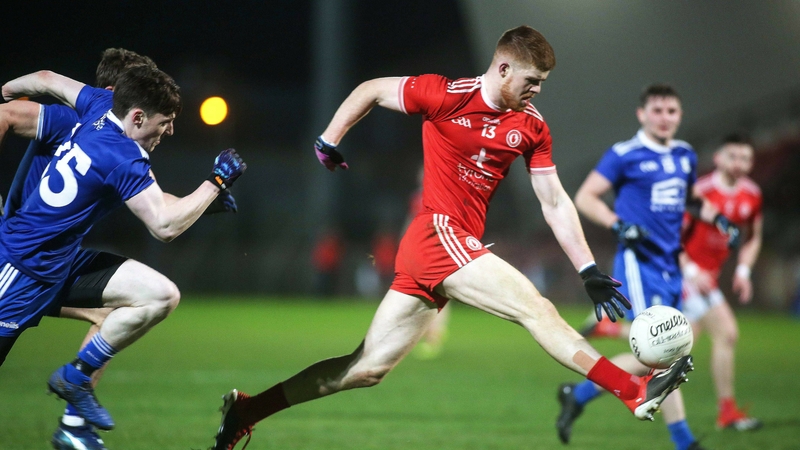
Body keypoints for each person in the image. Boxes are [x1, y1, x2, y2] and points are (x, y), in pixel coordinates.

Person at [209, 26, 694, 450]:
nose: (536, 92)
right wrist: (328, 139)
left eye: (541, 85)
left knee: (365, 369)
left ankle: (247, 412)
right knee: (536, 308)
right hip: (435, 233)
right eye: (532, 82)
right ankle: (633, 390)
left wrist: (588, 269)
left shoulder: (531, 126)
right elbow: (372, 88)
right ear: (503, 69)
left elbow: (553, 200)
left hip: (450, 248)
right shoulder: (446, 94)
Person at [0, 49, 237, 450]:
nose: (170, 132)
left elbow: (44, 76)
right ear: (137, 115)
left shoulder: (96, 106)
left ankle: (75, 396)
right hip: (20, 269)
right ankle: (74, 419)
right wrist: (215, 181)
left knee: (156, 296)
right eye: (166, 123)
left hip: (58, 263)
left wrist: (5, 89)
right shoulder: (123, 154)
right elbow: (163, 225)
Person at [557, 84, 738, 450]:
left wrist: (720, 220)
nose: (664, 117)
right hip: (639, 265)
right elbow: (586, 196)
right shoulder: (624, 154)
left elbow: (690, 200)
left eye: (671, 111)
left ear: (679, 115)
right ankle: (684, 440)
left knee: (662, 354)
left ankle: (577, 395)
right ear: (642, 114)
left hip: (671, 265)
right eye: (656, 110)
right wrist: (618, 224)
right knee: (664, 351)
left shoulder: (685, 155)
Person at [680, 134, 763, 431]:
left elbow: (753, 236)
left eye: (746, 158)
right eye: (733, 156)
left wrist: (743, 271)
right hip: (686, 276)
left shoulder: (751, 194)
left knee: (677, 344)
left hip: (707, 278)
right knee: (726, 334)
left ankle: (592, 387)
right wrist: (690, 271)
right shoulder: (700, 192)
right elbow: (672, 237)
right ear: (718, 158)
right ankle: (726, 413)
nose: (740, 164)